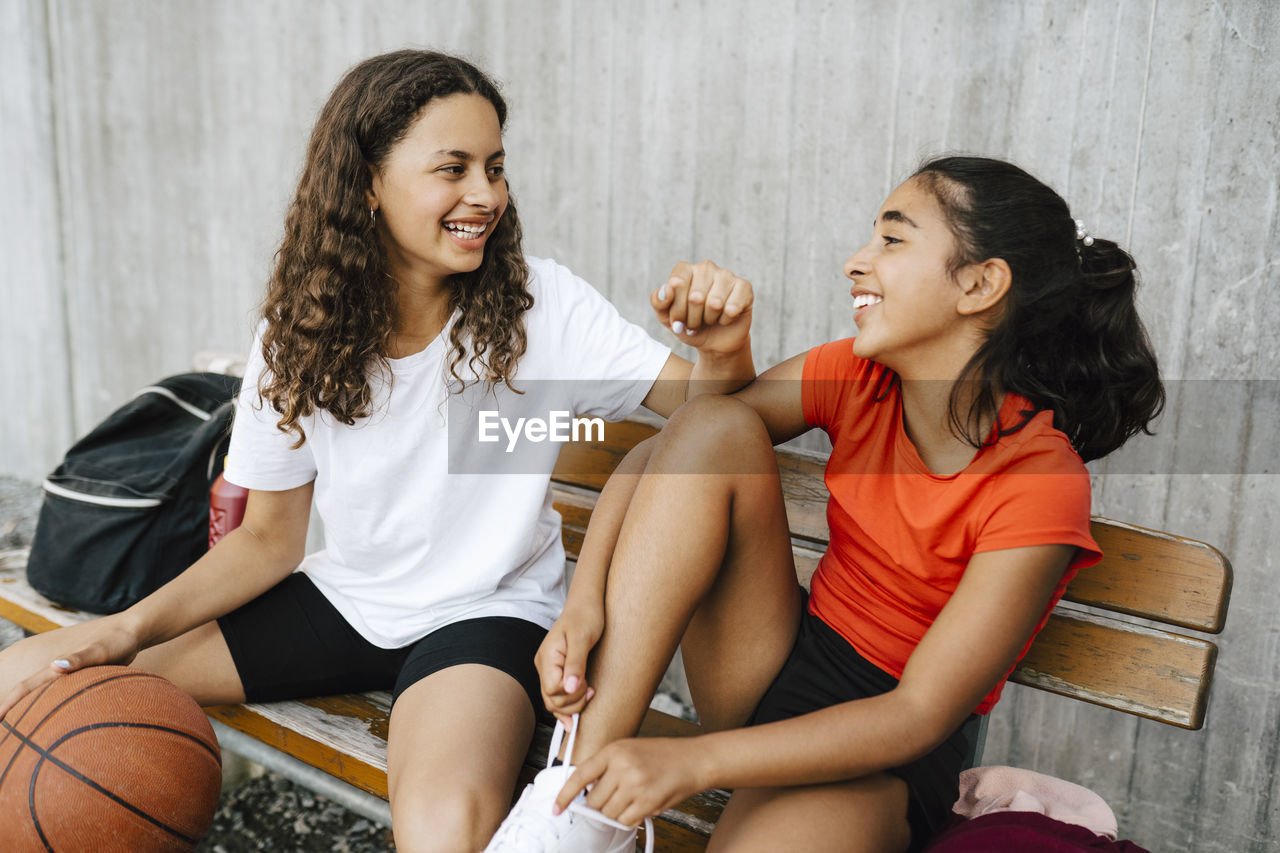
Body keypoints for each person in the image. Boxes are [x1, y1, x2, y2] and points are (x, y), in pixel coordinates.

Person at [0, 50, 756, 853]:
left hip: (486, 611)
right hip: (346, 602)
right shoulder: (298, 335)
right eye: (452, 168)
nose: (486, 195)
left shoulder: (544, 306)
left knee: (441, 836)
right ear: (366, 183)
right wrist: (123, 631)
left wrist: (724, 351)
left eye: (495, 168)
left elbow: (712, 415)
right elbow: (268, 540)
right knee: (50, 693)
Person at [483, 155, 1165, 853]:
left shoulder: (1039, 480)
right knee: (717, 425)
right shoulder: (857, 375)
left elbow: (916, 714)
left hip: (883, 751)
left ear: (980, 284)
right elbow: (673, 451)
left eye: (892, 241)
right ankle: (575, 814)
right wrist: (584, 599)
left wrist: (691, 760)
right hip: (778, 664)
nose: (856, 262)